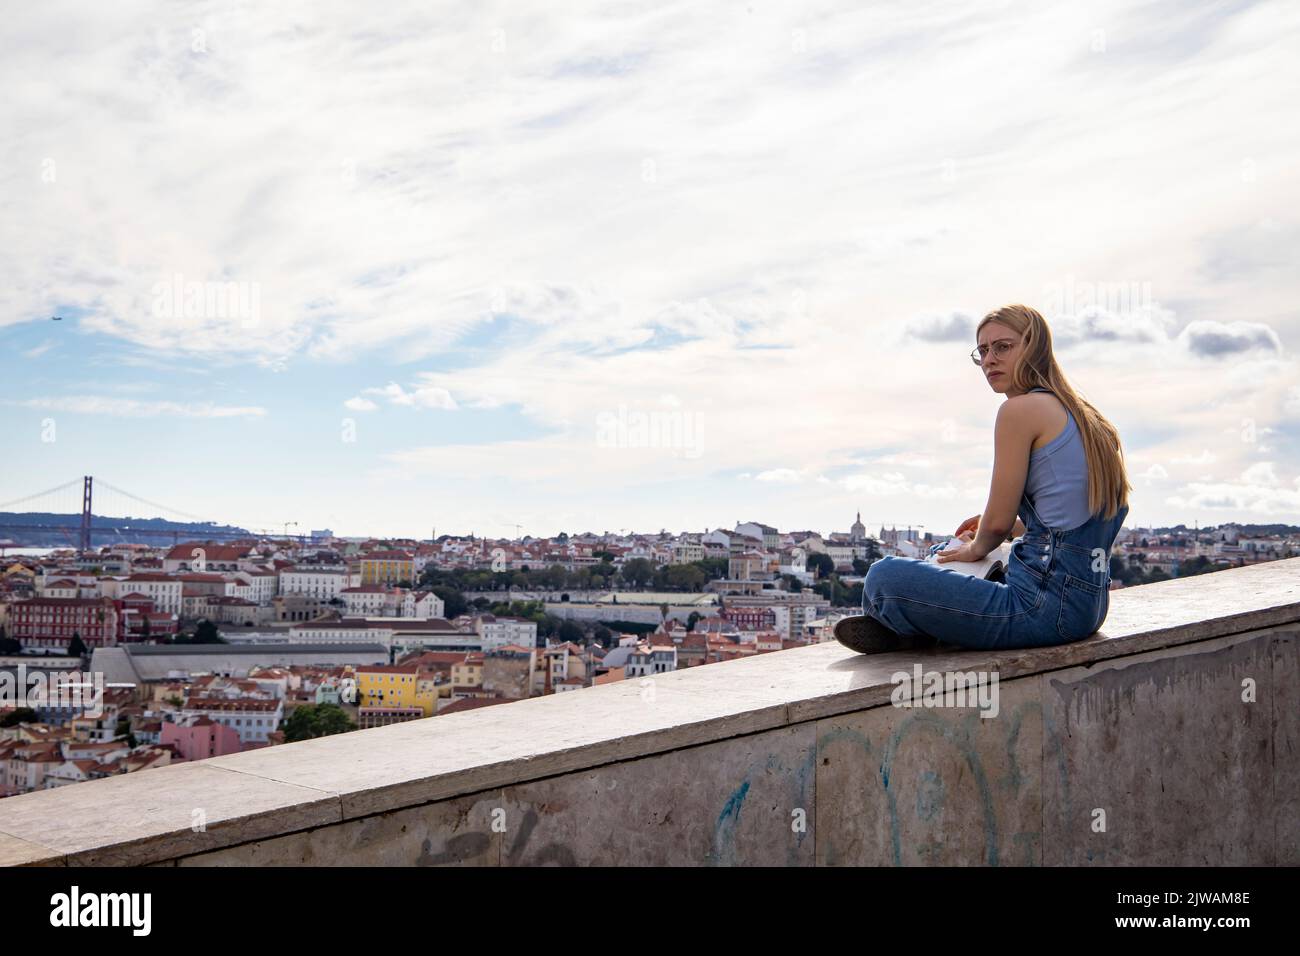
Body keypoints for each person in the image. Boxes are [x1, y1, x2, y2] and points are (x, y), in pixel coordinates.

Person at [835, 303, 1132, 653]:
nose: (990, 359)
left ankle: (905, 627)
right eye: (983, 350)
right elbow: (1074, 528)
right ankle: (918, 625)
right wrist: (1009, 532)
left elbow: (996, 523)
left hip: (1041, 608)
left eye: (1003, 347)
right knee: (948, 551)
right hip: (1090, 606)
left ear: (1034, 347)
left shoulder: (1019, 411)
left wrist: (982, 542)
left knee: (885, 577)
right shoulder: (1090, 420)